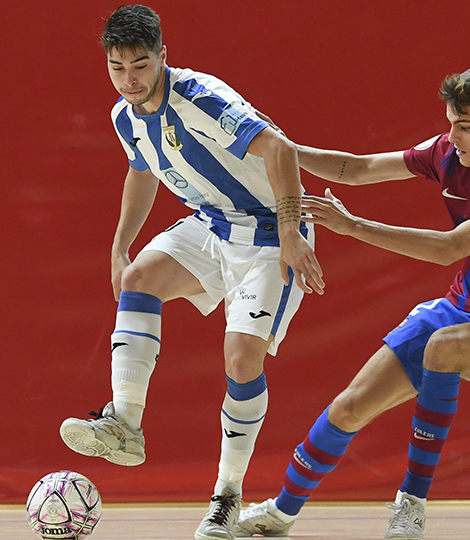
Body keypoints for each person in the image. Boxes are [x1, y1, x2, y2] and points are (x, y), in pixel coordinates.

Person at [235, 63, 470, 540]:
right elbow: (357, 168)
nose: (452, 136)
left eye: (464, 126)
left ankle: (410, 505)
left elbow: (448, 249)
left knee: (443, 347)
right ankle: (281, 511)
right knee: (350, 406)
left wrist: (352, 226)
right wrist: (282, 149)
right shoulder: (447, 154)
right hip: (466, 305)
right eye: (450, 122)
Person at [58, 6, 324, 540]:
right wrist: (120, 245)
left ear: (162, 56)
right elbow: (141, 171)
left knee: (242, 360)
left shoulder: (201, 97)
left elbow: (279, 148)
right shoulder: (124, 116)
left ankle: (227, 495)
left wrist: (293, 234)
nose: (129, 80)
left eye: (140, 65)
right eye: (117, 68)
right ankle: (125, 425)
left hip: (271, 232)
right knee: (137, 281)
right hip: (212, 226)